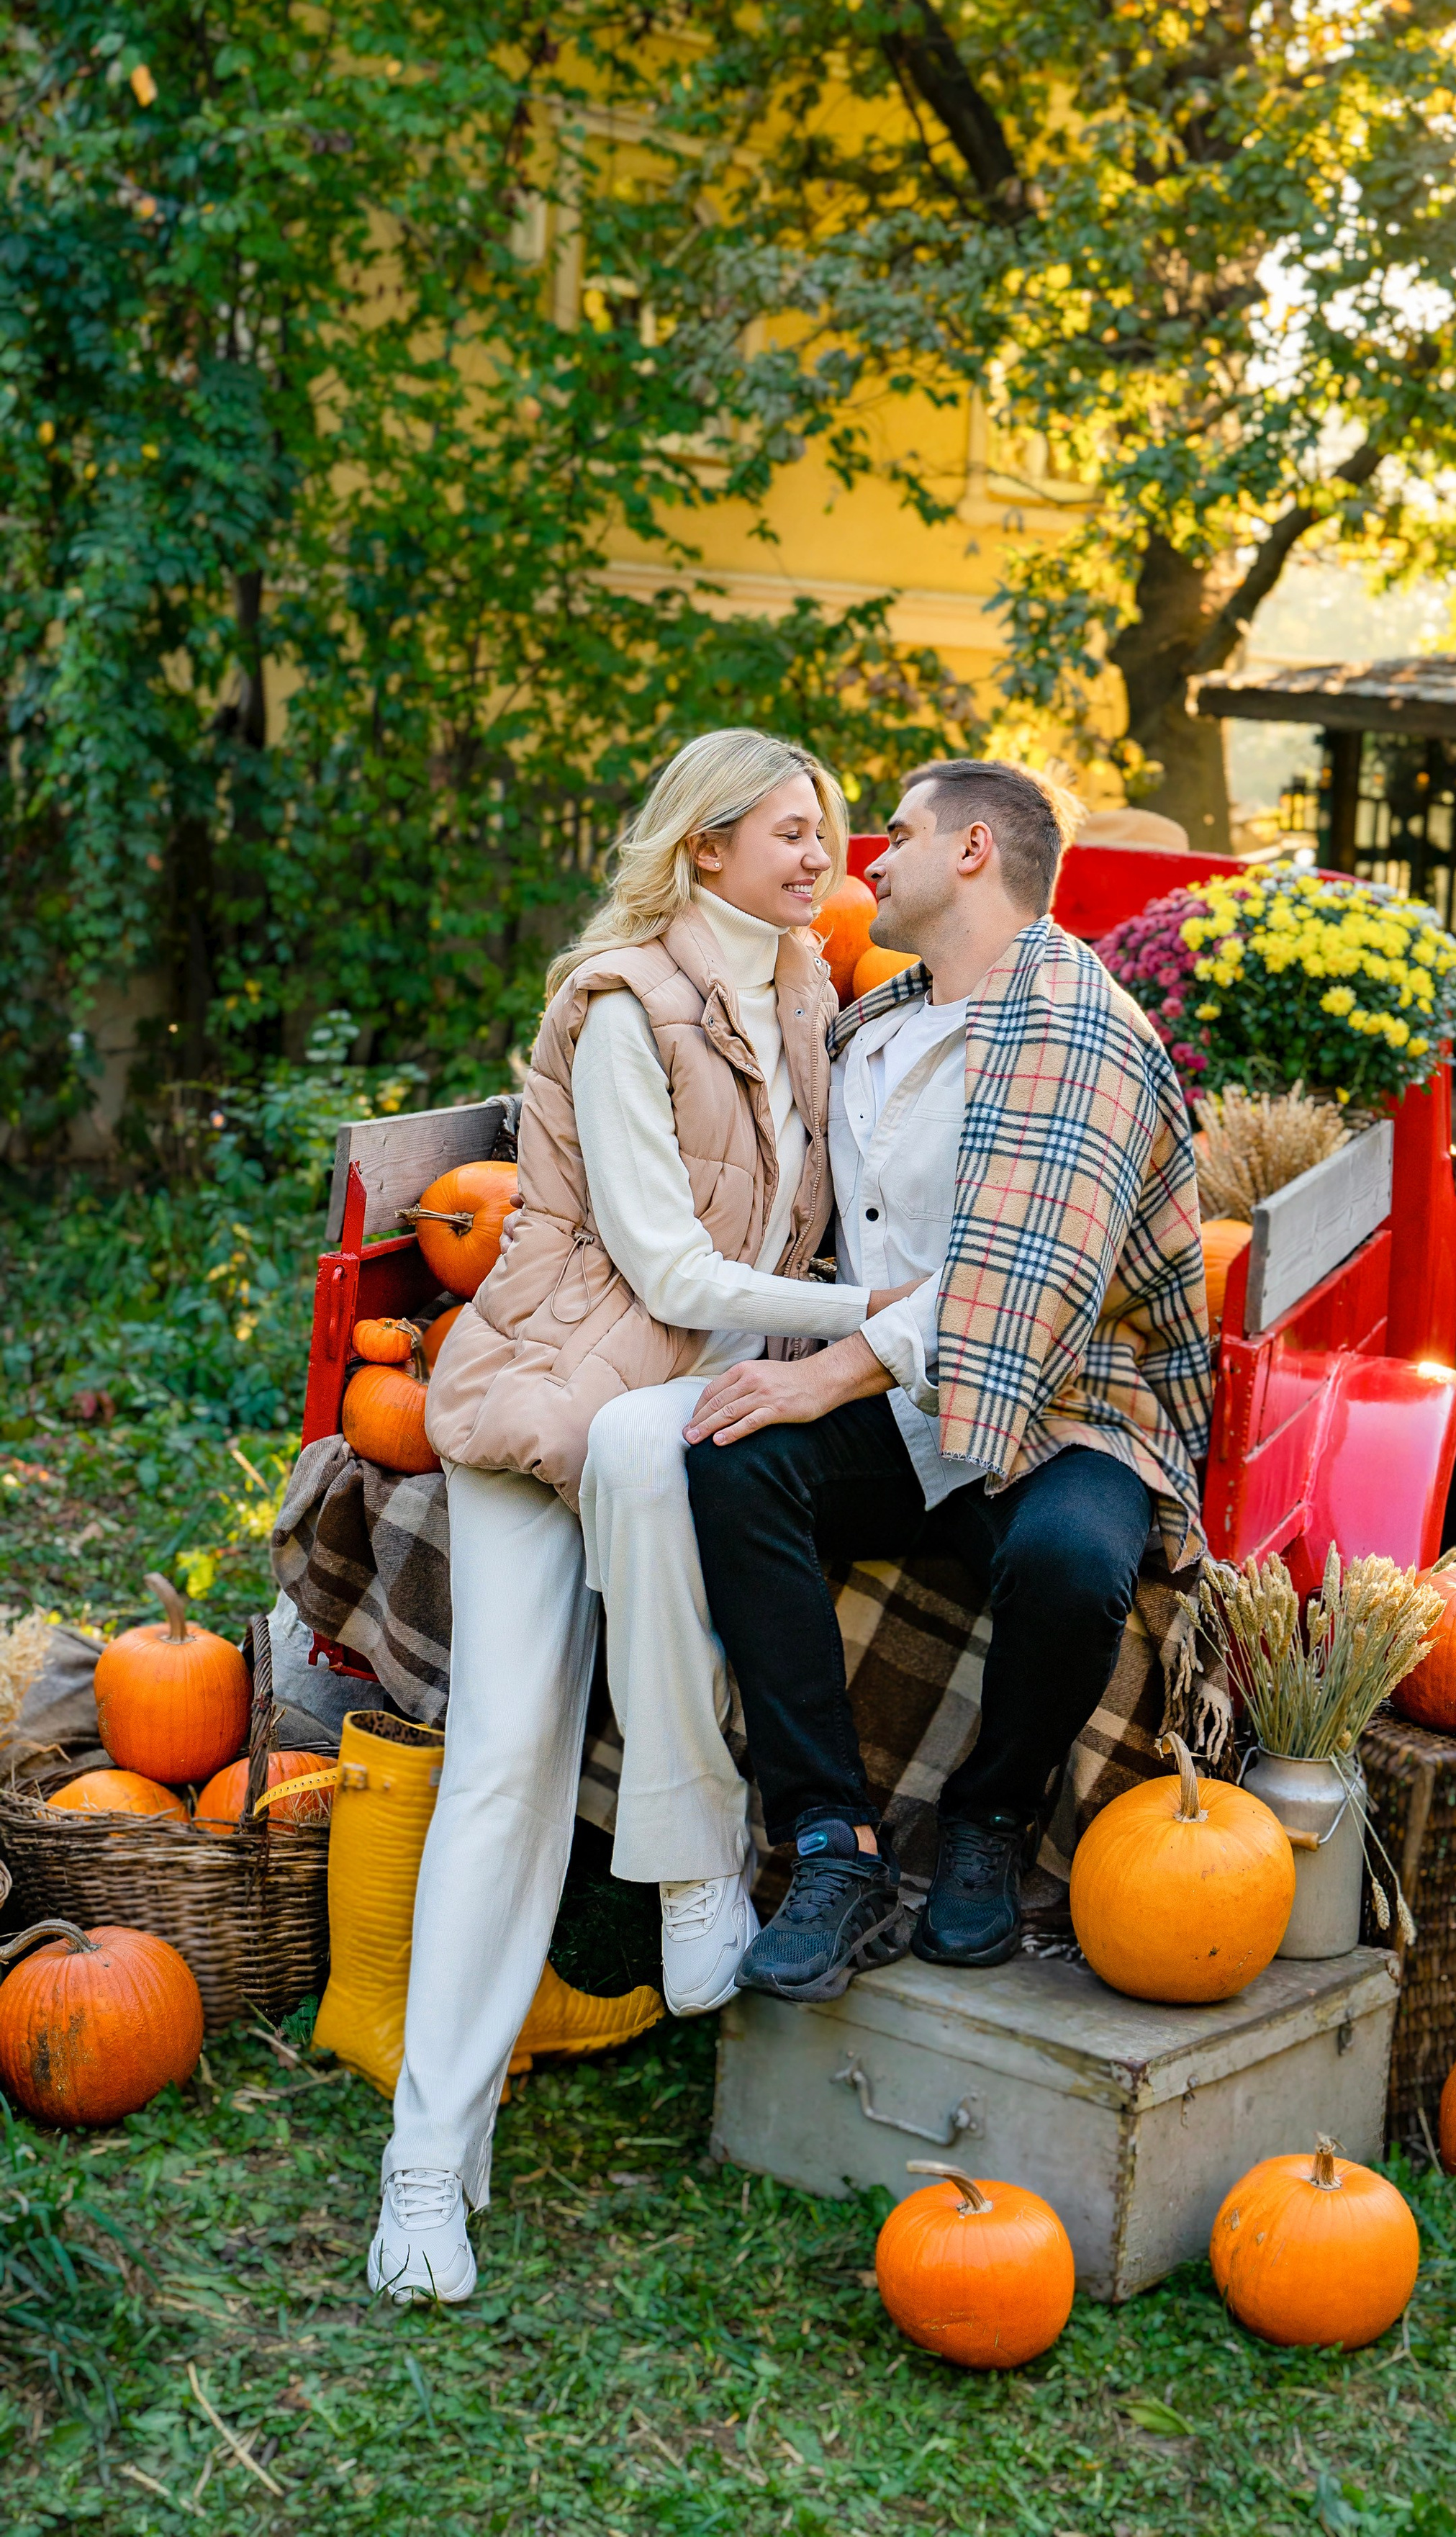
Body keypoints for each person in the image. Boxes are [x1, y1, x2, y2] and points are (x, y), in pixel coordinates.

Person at [368, 729, 913, 2304]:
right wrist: (866, 1312)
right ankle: (424, 2162)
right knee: (505, 1761)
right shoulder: (619, 1008)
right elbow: (667, 1274)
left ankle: (688, 1867)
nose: (822, 857)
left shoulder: (806, 989)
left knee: (670, 1531)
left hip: (679, 1407)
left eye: (826, 831)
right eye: (790, 833)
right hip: (556, 1390)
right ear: (703, 849)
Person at [682, 758, 1215, 2003]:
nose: (868, 858)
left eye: (899, 834)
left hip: (1071, 1401)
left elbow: (1023, 1276)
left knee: (1075, 1560)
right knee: (735, 1463)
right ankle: (831, 1840)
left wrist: (827, 1379)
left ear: (974, 851)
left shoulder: (1077, 1030)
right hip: (907, 1408)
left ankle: (991, 1817)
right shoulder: (876, 1024)